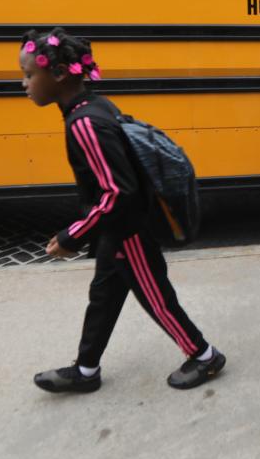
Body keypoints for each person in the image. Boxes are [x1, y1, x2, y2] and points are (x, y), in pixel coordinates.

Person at [19, 28, 225, 393]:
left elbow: (117, 193)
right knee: (103, 296)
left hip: (127, 230)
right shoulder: (95, 106)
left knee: (156, 297)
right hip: (116, 229)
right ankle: (85, 369)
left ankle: (204, 356)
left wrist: (73, 235)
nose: (25, 84)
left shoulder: (84, 123)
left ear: (59, 74)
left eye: (28, 75)